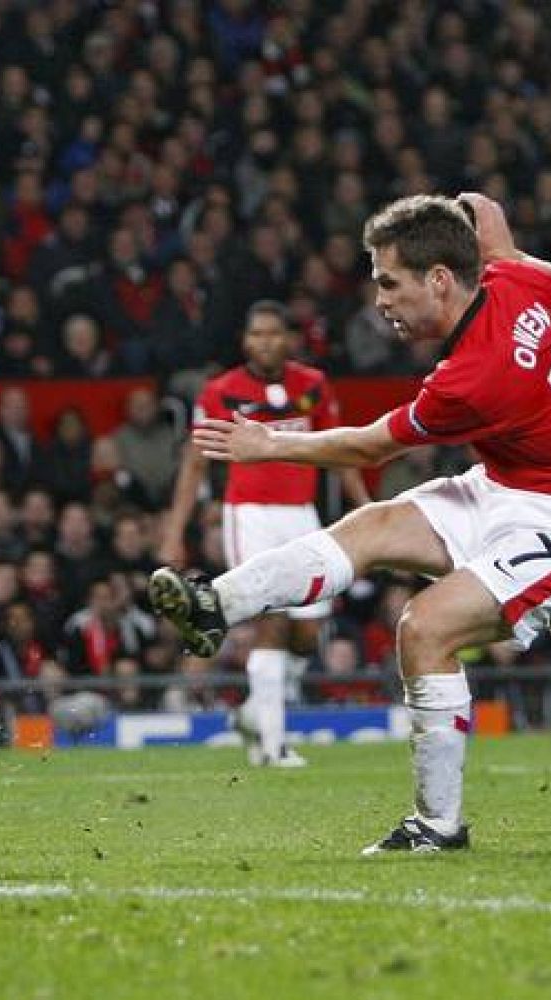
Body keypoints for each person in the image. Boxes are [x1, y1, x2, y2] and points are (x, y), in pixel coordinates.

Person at [150, 193, 551, 853]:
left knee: (425, 627)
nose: (379, 301)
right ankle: (215, 605)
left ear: (439, 280)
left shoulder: (472, 376)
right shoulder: (511, 279)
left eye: (389, 282)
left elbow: (372, 446)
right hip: (504, 484)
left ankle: (437, 826)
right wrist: (515, 254)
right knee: (372, 525)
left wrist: (272, 445)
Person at [159, 300, 371, 767]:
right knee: (272, 619)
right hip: (250, 514)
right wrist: (175, 531)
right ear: (246, 341)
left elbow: (341, 450)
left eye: (275, 333)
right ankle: (273, 747)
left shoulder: (313, 386)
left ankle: (256, 713)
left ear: (288, 339)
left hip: (302, 513)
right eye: (258, 335)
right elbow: (195, 463)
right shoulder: (220, 392)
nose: (266, 342)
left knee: (307, 631)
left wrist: (368, 509)